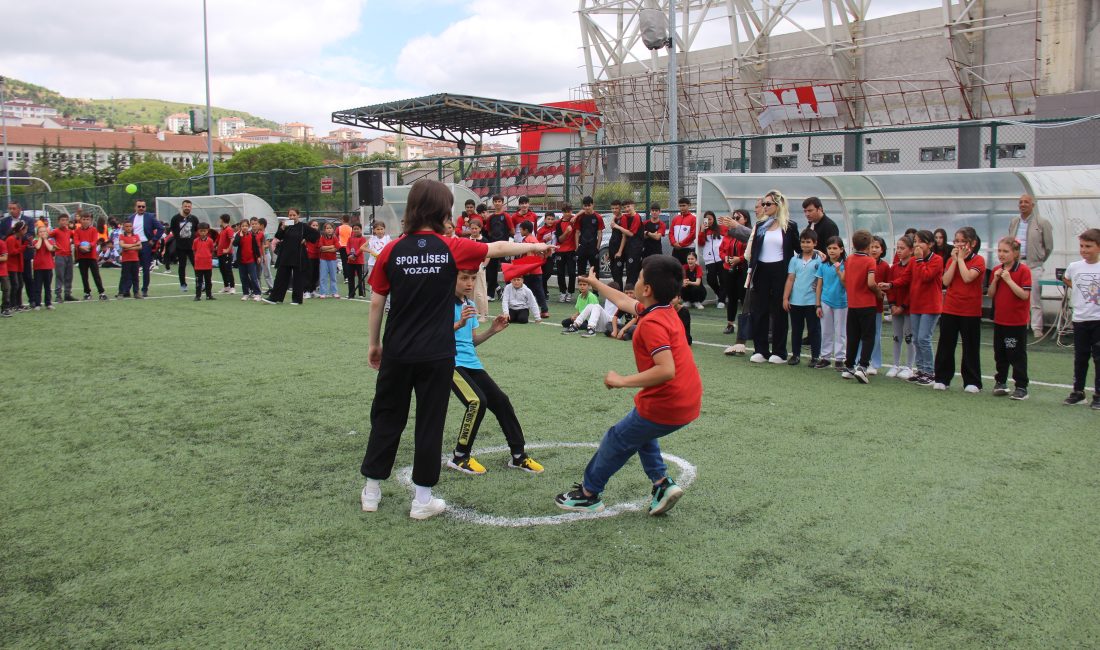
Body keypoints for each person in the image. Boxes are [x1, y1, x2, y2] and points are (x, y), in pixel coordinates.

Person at [359, 179, 553, 520]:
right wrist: (535, 247)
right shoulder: (452, 246)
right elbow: (497, 249)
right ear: (443, 210)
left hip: (398, 351)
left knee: (387, 417)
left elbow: (377, 302)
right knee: (430, 422)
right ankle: (422, 501)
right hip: (437, 354)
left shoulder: (391, 249)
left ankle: (372, 491)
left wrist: (375, 344)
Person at [555, 259, 701, 515]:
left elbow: (666, 369)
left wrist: (622, 381)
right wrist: (595, 282)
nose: (637, 280)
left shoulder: (652, 323)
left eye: (641, 277)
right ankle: (661, 484)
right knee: (642, 432)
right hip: (686, 399)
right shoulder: (662, 309)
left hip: (668, 402)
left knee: (617, 438)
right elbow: (623, 301)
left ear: (647, 290)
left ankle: (588, 494)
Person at [447, 269, 545, 476]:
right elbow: (434, 336)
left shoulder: (470, 305)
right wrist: (458, 324)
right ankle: (460, 456)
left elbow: (471, 341)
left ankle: (518, 456)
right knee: (476, 402)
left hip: (472, 363)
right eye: (464, 278)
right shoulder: (440, 304)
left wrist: (492, 330)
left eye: (473, 279)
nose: (469, 283)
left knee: (501, 401)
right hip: (450, 363)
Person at [748, 190, 801, 363]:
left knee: (779, 311)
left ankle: (779, 351)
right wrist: (751, 270)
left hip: (780, 270)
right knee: (759, 310)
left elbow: (799, 249)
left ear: (778, 205)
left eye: (768, 204)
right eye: (763, 204)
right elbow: (755, 250)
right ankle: (761, 350)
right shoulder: (760, 225)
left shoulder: (789, 226)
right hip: (761, 270)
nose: (764, 207)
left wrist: (816, 253)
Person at [933, 227, 986, 393]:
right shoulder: (950, 260)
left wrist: (961, 260)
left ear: (973, 243)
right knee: (946, 345)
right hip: (950, 308)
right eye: (956, 241)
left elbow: (968, 277)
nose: (958, 244)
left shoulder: (979, 260)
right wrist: (955, 261)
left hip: (970, 310)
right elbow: (946, 281)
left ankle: (972, 381)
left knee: (970, 346)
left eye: (963, 241)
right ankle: (942, 378)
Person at [987, 236, 1033, 400]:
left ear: (1015, 253)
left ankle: (1021, 386)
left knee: (1016, 354)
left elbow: (1024, 295)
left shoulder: (1023, 270)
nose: (1001, 254)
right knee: (1000, 353)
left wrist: (1008, 280)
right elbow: (990, 294)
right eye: (999, 251)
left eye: (1005, 251)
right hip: (1000, 320)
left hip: (1016, 321)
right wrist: (996, 280)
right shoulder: (997, 270)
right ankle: (1001, 382)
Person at [1061, 228, 1100, 409]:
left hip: (1098, 320)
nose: (1084, 250)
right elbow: (1066, 278)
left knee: (1098, 357)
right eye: (1082, 246)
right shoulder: (1075, 266)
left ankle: (1098, 394)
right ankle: (1078, 392)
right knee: (1080, 356)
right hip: (1080, 319)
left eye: (1089, 246)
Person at [1006, 194, 1054, 337]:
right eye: (1020, 202)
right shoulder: (1014, 221)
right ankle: (1019, 324)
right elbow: (1009, 241)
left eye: (1026, 202)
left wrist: (1039, 259)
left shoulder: (1042, 222)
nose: (1023, 204)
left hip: (1033, 265)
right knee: (1015, 295)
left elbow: (1049, 246)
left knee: (1034, 297)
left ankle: (1037, 328)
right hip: (1016, 264)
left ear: (1033, 205)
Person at [840, 230, 883, 383]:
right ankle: (863, 367)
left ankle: (849, 367)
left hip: (853, 304)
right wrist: (879, 293)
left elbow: (844, 279)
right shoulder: (870, 261)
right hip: (867, 304)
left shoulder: (849, 259)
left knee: (852, 336)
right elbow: (871, 282)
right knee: (868, 337)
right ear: (869, 245)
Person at [906, 230, 944, 386]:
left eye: (920, 241)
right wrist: (891, 284)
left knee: (923, 338)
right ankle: (921, 370)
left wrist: (920, 260)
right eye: (915, 241)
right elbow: (906, 277)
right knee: (916, 339)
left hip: (931, 305)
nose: (917, 245)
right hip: (916, 304)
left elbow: (926, 276)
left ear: (930, 244)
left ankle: (929, 372)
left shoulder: (937, 260)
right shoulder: (913, 261)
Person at [264, 209, 319, 306]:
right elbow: (278, 236)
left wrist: (306, 239)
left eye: (294, 215)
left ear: (298, 215)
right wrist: (283, 228)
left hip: (298, 255)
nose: (292, 217)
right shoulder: (285, 224)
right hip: (285, 255)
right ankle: (274, 298)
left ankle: (297, 300)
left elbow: (316, 234)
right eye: (290, 215)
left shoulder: (303, 226)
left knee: (298, 278)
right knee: (280, 277)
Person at [783, 229, 822, 367]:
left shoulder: (820, 260)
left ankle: (815, 356)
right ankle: (795, 355)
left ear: (815, 243)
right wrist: (785, 298)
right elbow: (790, 279)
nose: (805, 245)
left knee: (814, 330)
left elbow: (822, 279)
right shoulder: (794, 260)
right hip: (796, 301)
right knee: (796, 330)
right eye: (803, 242)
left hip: (812, 301)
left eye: (808, 242)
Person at [880, 234, 915, 379]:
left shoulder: (914, 265)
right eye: (897, 248)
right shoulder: (894, 267)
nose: (899, 251)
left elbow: (912, 287)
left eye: (902, 248)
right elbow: (891, 287)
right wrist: (893, 304)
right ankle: (895, 364)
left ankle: (909, 366)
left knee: (909, 337)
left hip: (909, 308)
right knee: (896, 337)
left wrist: (903, 305)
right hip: (896, 307)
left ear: (911, 250)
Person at [815, 236, 847, 369]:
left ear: (841, 249)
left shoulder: (846, 264)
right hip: (826, 301)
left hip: (842, 302)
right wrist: (818, 304)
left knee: (841, 331)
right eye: (829, 248)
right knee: (826, 330)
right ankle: (825, 357)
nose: (832, 251)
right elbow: (819, 286)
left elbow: (845, 283)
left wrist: (839, 271)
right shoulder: (823, 265)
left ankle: (840, 358)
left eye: (835, 248)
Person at [719, 209, 750, 338]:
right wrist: (725, 258)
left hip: (742, 268)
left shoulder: (748, 234)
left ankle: (746, 326)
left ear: (745, 220)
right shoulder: (729, 233)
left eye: (738, 218)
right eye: (734, 218)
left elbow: (750, 252)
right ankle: (730, 324)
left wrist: (740, 259)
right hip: (729, 269)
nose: (735, 220)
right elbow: (722, 249)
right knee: (731, 297)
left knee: (743, 298)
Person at [129, 199, 163, 297]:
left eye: (143, 206)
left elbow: (161, 228)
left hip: (145, 245)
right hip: (133, 245)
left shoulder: (150, 217)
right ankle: (132, 289)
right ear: (135, 207)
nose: (141, 208)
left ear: (145, 207)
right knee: (132, 268)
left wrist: (154, 240)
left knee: (145, 269)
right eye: (139, 206)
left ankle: (144, 289)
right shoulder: (131, 217)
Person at [168, 200, 200, 292]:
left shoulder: (194, 218)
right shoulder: (175, 218)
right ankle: (183, 284)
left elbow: (196, 231)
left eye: (189, 206)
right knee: (182, 266)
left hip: (192, 246)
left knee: (196, 265)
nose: (187, 208)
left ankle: (199, 282)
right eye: (185, 206)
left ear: (191, 207)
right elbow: (173, 230)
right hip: (180, 246)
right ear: (182, 207)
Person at [484, 195, 511, 300]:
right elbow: (489, 231)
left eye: (499, 201)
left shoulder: (506, 216)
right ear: (493, 203)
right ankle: (490, 294)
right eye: (495, 201)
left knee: (507, 270)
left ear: (502, 202)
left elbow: (511, 230)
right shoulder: (490, 217)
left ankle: (510, 293)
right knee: (491, 270)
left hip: (505, 247)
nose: (497, 203)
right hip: (494, 247)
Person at [74, 212, 107, 301]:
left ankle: (101, 292)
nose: (85, 221)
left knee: (96, 275)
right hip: (81, 257)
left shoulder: (93, 230)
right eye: (83, 219)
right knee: (84, 276)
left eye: (87, 219)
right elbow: (76, 241)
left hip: (91, 256)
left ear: (91, 220)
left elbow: (94, 241)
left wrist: (88, 246)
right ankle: (87, 293)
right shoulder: (77, 230)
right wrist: (80, 247)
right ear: (80, 220)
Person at [698, 211, 725, 308]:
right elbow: (700, 243)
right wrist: (702, 230)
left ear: (714, 219)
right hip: (709, 259)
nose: (708, 221)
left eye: (710, 219)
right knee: (711, 279)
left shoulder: (721, 228)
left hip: (721, 258)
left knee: (723, 279)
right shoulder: (704, 231)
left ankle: (721, 300)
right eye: (706, 219)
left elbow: (730, 235)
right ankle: (720, 295)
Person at [49, 214, 76, 303]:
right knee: (60, 275)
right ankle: (58, 295)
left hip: (69, 255)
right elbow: (47, 236)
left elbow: (76, 238)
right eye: (62, 220)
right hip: (59, 255)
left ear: (68, 221)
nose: (64, 222)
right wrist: (52, 245)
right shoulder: (56, 231)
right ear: (58, 221)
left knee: (69, 276)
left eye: (66, 220)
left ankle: (67, 294)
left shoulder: (70, 231)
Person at [234, 219, 262, 301]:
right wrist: (240, 236)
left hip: (251, 260)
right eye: (243, 226)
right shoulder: (238, 235)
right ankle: (246, 293)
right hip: (241, 260)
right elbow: (235, 244)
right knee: (243, 278)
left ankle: (257, 293)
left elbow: (255, 247)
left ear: (248, 226)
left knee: (254, 277)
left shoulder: (252, 235)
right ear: (240, 227)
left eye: (246, 226)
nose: (245, 227)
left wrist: (258, 256)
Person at [576, 196, 604, 277]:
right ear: (583, 206)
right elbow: (577, 232)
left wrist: (598, 247)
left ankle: (595, 290)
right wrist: (577, 246)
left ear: (593, 205)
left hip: (593, 247)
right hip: (582, 247)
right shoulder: (580, 217)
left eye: (589, 205)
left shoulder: (598, 217)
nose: (587, 207)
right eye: (585, 206)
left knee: (595, 271)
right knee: (581, 271)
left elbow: (599, 232)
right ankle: (582, 290)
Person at [31, 225, 57, 310]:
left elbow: (50, 249)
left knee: (47, 286)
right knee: (38, 286)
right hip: (38, 267)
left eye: (44, 231)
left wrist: (45, 239)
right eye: (40, 232)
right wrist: (40, 239)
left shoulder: (50, 241)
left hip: (48, 266)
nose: (42, 233)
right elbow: (37, 247)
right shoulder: (35, 241)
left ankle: (48, 303)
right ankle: (37, 303)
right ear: (37, 234)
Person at [555, 204, 577, 302]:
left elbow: (583, 212)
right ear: (562, 212)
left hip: (572, 251)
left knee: (572, 272)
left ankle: (570, 292)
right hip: (560, 251)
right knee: (560, 273)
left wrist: (575, 216)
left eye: (569, 211)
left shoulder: (575, 220)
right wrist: (567, 232)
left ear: (571, 211)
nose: (567, 214)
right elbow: (560, 240)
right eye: (565, 212)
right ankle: (563, 292)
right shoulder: (558, 223)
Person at [191, 223, 217, 301]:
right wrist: (198, 257)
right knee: (198, 281)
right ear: (198, 231)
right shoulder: (195, 241)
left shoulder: (210, 240)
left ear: (207, 231)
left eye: (204, 231)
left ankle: (209, 295)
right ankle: (198, 295)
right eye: (201, 231)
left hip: (207, 264)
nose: (203, 233)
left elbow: (212, 250)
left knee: (208, 281)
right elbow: (194, 250)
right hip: (198, 265)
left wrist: (208, 256)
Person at [3, 221, 25, 313]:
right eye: (25, 229)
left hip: (18, 265)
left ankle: (18, 304)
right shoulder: (11, 239)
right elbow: (11, 252)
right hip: (11, 266)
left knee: (19, 284)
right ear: (20, 230)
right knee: (14, 285)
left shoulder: (18, 238)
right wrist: (23, 248)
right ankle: (12, 304)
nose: (25, 232)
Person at [668, 198, 696, 264]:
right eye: (680, 206)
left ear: (689, 205)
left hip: (688, 249)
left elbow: (693, 234)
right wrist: (674, 243)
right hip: (676, 249)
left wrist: (681, 244)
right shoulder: (675, 218)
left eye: (684, 205)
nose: (682, 208)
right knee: (675, 269)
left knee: (686, 270)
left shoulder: (693, 218)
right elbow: (671, 232)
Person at [317, 223, 341, 299]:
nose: (329, 229)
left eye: (330, 228)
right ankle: (323, 293)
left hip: (333, 260)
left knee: (333, 277)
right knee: (323, 277)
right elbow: (321, 248)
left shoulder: (335, 238)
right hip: (323, 260)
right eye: (327, 228)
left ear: (333, 229)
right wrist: (331, 246)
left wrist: (326, 249)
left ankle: (334, 292)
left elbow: (336, 248)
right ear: (324, 230)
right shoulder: (322, 238)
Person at [216, 214, 237, 295]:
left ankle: (232, 287)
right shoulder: (222, 230)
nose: (219, 221)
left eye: (219, 219)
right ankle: (226, 286)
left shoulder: (229, 229)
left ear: (222, 220)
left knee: (228, 270)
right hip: (220, 253)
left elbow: (232, 240)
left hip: (226, 254)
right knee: (222, 270)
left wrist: (228, 249)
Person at [346, 222, 368, 299]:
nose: (356, 230)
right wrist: (349, 255)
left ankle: (361, 293)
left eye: (357, 229)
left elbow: (361, 248)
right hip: (350, 261)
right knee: (350, 278)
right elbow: (347, 247)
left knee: (360, 278)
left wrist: (355, 255)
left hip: (359, 261)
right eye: (354, 229)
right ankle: (351, 293)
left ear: (361, 230)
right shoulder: (349, 238)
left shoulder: (363, 239)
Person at [303, 220, 322, 298]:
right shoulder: (306, 235)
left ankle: (312, 290)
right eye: (313, 225)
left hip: (317, 257)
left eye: (316, 225)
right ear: (309, 226)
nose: (315, 227)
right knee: (308, 274)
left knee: (315, 274)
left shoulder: (319, 235)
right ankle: (306, 291)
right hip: (308, 257)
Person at [0, 231, 9, 317]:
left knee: (6, 290)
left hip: (2, 271)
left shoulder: (2, 243)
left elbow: (5, 257)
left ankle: (5, 308)